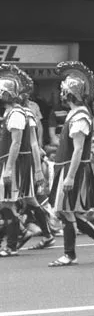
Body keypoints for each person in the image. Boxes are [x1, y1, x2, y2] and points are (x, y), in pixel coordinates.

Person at [48, 62, 94, 267]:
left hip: (71, 169)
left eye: (64, 92)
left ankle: (69, 254)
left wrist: (70, 176)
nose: (61, 95)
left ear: (69, 94)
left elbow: (78, 150)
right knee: (69, 211)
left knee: (66, 211)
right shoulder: (77, 114)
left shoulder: (80, 116)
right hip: (67, 167)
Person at [0, 65, 45, 257]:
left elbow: (17, 143)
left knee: (7, 204)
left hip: (13, 165)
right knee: (4, 204)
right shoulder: (10, 113)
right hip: (8, 163)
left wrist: (8, 169)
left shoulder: (17, 114)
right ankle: (18, 235)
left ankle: (11, 244)